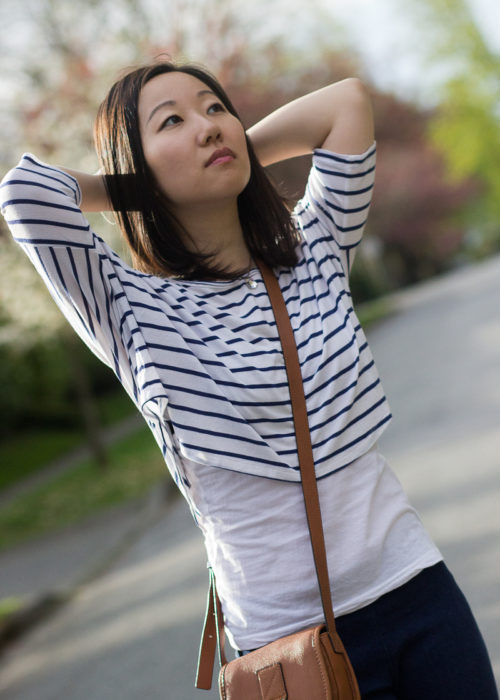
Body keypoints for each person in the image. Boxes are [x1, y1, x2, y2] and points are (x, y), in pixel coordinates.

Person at [1, 59, 498, 699]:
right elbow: (25, 193)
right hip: (288, 643)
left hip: (418, 591)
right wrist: (143, 187)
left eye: (215, 108)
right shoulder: (132, 311)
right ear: (136, 160)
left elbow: (345, 105)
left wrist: (228, 148)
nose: (209, 128)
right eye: (172, 121)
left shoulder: (314, 251)